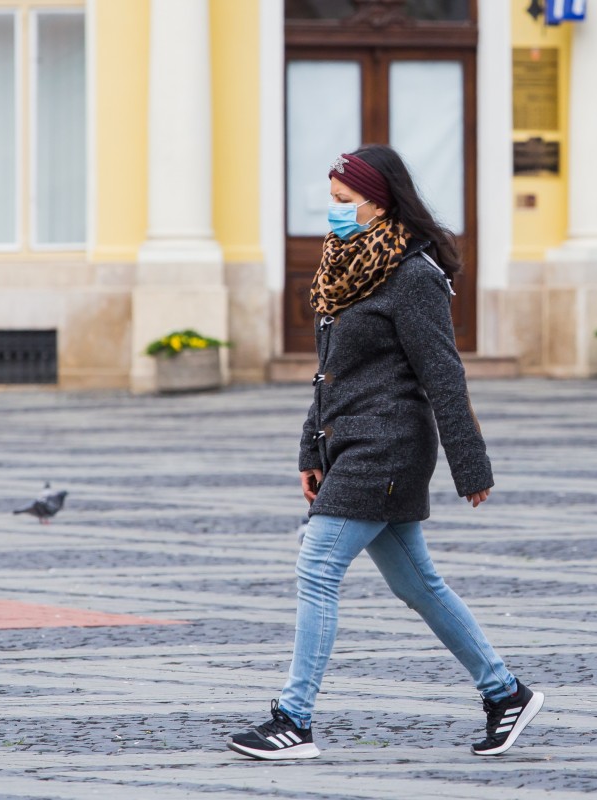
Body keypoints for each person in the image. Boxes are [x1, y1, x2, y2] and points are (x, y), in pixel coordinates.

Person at [227, 145, 543, 761]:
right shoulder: (346, 266)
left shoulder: (414, 276)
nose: (334, 212)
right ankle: (504, 693)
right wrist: (309, 451)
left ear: (381, 202)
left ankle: (294, 719)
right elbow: (329, 375)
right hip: (349, 445)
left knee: (317, 565)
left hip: (389, 449)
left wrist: (470, 465)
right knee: (418, 583)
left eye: (345, 202)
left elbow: (444, 376)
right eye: (333, 200)